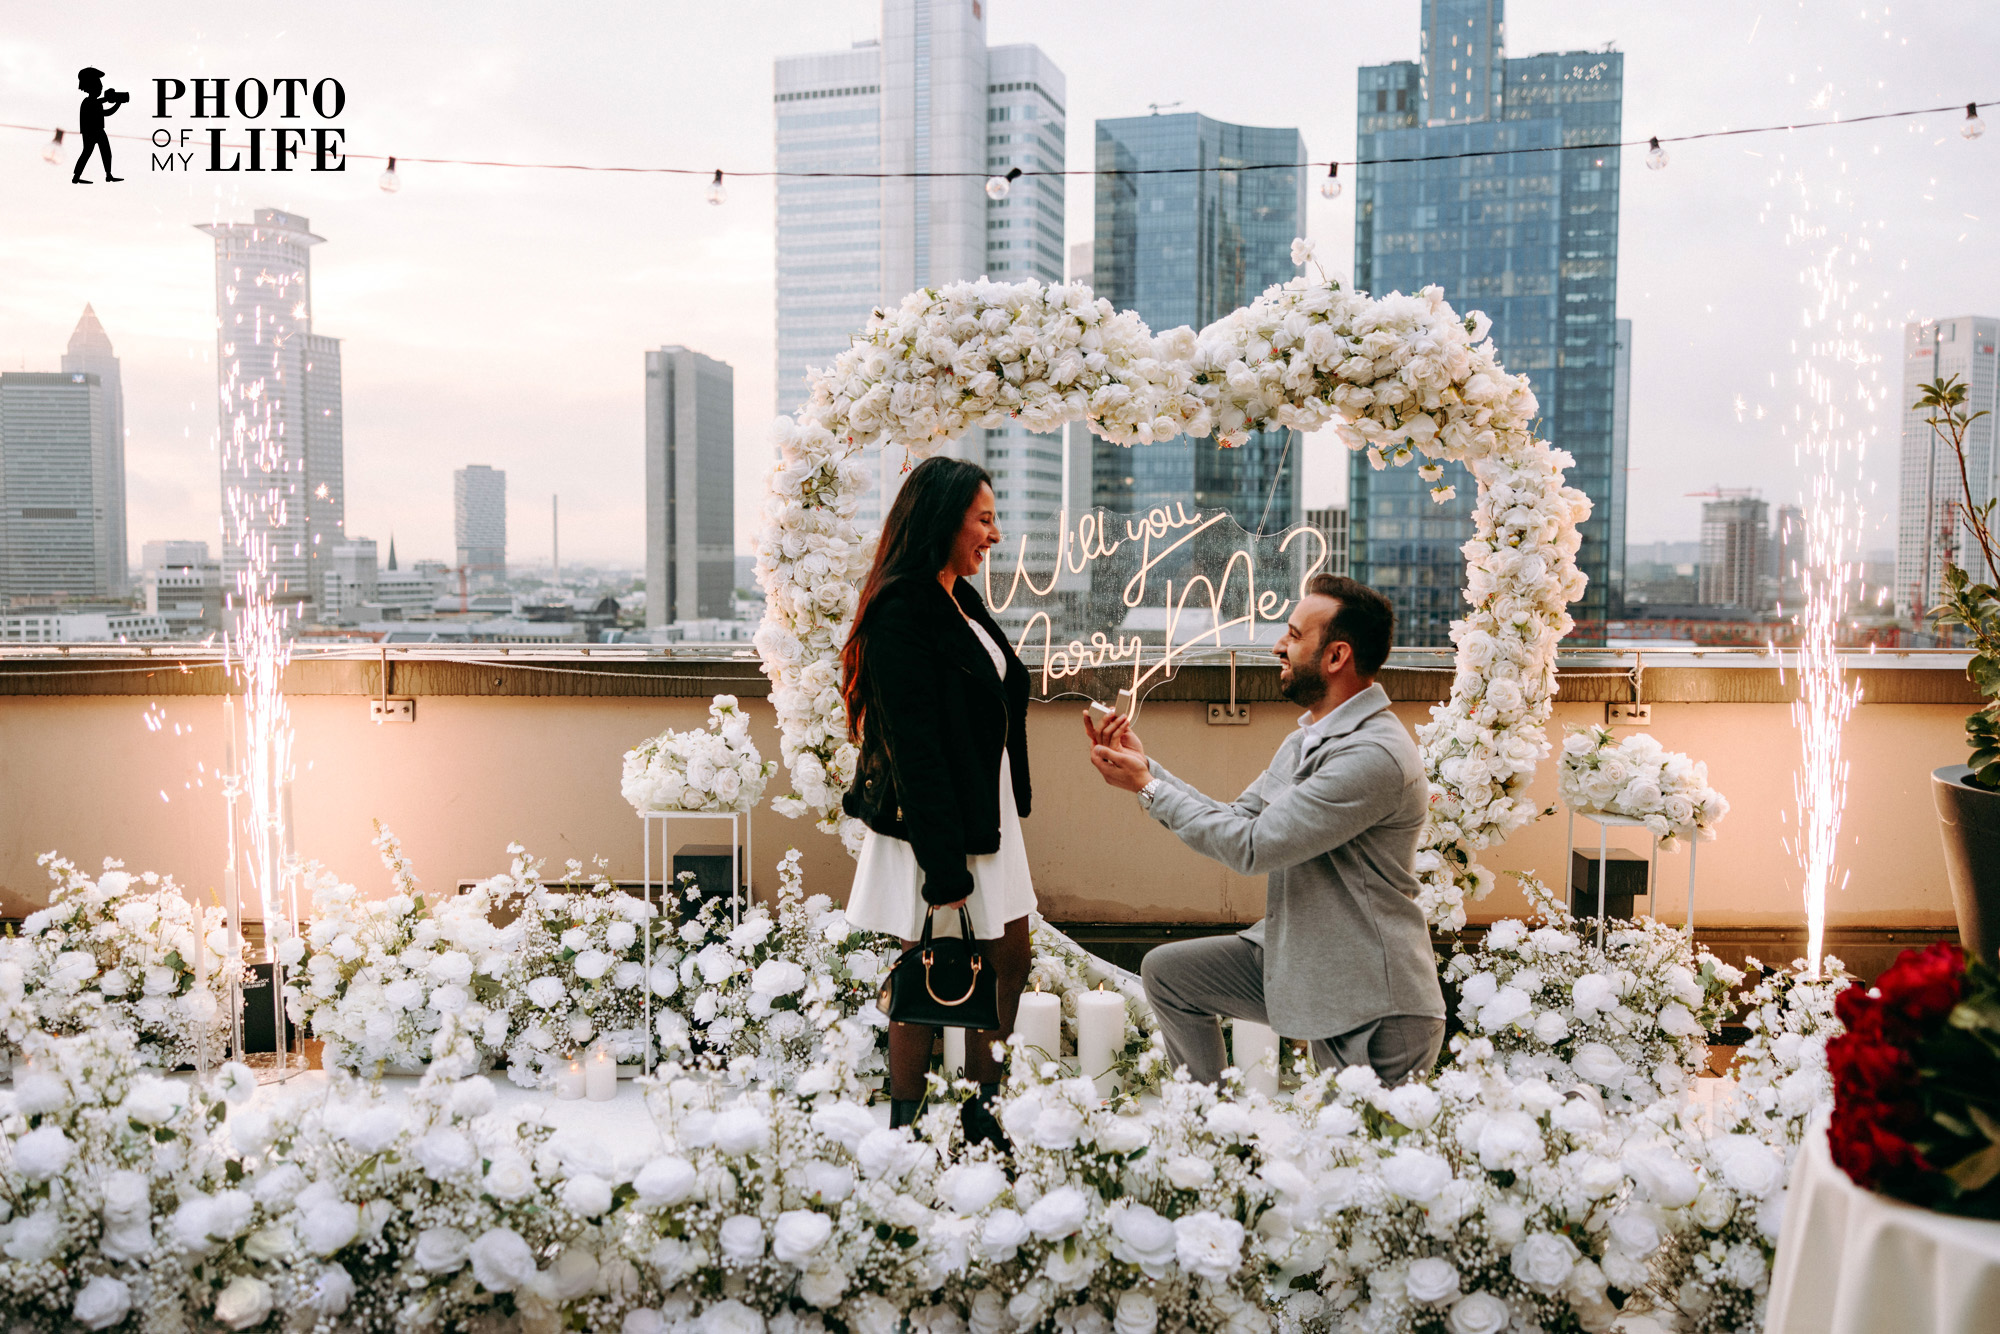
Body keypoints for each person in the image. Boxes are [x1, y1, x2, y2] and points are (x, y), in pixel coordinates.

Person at [1084, 573, 1445, 1086]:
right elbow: (1240, 820)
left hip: (1377, 1003)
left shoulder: (1373, 755)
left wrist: (1147, 790)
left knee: (1358, 1162)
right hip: (1305, 959)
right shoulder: (1308, 739)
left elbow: (1252, 849)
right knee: (1171, 974)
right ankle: (1216, 1136)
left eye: (1295, 636)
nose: (1279, 645)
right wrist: (1148, 771)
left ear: (1336, 656)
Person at [840, 455, 1035, 1146]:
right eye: (984, 519)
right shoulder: (904, 610)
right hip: (938, 820)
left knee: (1003, 958)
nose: (997, 534)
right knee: (931, 964)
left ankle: (980, 1112)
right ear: (941, 521)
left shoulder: (958, 596)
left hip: (985, 810)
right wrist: (944, 873)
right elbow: (915, 747)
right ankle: (911, 1124)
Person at [72, 67, 127, 184]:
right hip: (95, 131)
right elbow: (106, 112)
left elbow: (100, 102)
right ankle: (105, 175)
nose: (100, 89)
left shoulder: (89, 101)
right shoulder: (91, 102)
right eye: (99, 87)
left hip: (92, 131)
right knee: (97, 152)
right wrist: (118, 103)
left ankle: (79, 176)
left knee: (96, 152)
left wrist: (109, 98)